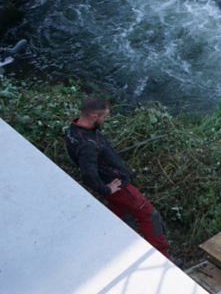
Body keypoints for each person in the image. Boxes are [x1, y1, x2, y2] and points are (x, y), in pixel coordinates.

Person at [65, 96, 181, 266]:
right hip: (118, 186)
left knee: (124, 218)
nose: (105, 120)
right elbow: (88, 176)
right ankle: (164, 258)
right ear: (94, 117)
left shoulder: (73, 129)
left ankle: (130, 250)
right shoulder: (88, 143)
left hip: (112, 184)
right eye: (104, 117)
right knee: (149, 215)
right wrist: (107, 189)